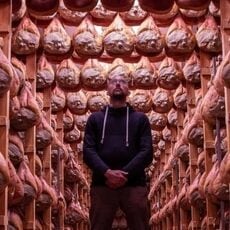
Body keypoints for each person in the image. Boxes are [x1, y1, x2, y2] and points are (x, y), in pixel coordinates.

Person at [83, 74, 153, 230]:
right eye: (113, 82)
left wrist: (124, 174)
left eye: (122, 82)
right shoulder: (95, 119)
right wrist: (107, 173)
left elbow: (147, 152)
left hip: (134, 185)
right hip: (102, 185)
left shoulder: (140, 119)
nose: (118, 84)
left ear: (129, 89)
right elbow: (88, 151)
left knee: (140, 226)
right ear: (107, 89)